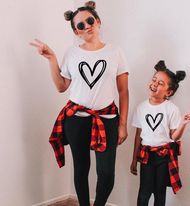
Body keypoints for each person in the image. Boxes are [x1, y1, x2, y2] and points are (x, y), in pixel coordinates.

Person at [30, 1, 129, 206]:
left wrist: (122, 124)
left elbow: (123, 91)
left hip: (107, 119)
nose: (87, 26)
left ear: (98, 21)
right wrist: (52, 58)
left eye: (90, 20)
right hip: (76, 119)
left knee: (106, 173)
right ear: (77, 32)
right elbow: (61, 86)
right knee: (81, 169)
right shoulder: (72, 53)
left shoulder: (115, 52)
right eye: (80, 25)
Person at [130, 60, 190, 206]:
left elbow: (174, 137)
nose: (155, 84)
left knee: (159, 193)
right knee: (144, 193)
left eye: (161, 83)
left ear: (169, 92)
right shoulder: (141, 108)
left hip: (164, 157)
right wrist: (134, 159)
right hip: (146, 155)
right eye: (154, 80)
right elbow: (138, 136)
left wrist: (183, 125)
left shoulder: (171, 109)